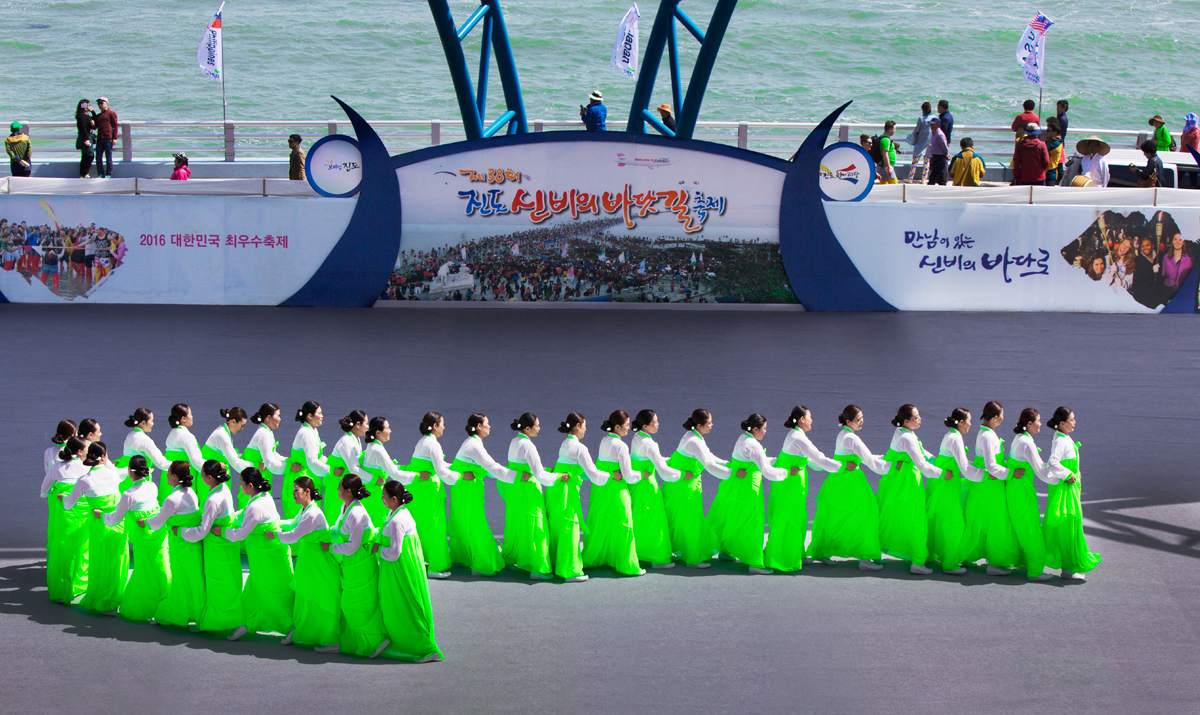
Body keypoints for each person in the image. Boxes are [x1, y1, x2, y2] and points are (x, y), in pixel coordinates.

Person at [764, 405, 842, 573]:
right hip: (789, 485)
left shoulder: (796, 435)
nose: (812, 420)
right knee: (788, 518)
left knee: (798, 517)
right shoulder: (798, 438)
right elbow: (817, 457)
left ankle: (796, 552)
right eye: (810, 417)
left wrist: (829, 467)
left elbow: (811, 460)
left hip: (793, 483)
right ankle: (780, 558)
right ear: (802, 420)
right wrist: (839, 466)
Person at [807, 405, 883, 571]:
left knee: (834, 517)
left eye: (862, 418)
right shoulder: (851, 438)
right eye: (858, 419)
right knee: (866, 514)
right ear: (848, 421)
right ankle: (865, 556)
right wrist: (892, 467)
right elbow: (869, 460)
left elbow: (866, 457)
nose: (862, 422)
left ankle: (822, 551)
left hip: (838, 482)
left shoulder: (844, 435)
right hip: (850, 483)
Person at [375, 480, 443, 662]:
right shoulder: (397, 513)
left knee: (406, 606)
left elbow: (394, 552)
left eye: (384, 496)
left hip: (400, 569)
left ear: (394, 499)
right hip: (401, 567)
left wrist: (376, 549)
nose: (382, 498)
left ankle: (423, 649)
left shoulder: (398, 520)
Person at [224, 468, 295, 641]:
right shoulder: (262, 497)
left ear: (250, 485)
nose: (239, 486)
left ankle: (290, 627)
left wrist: (222, 531)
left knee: (275, 592)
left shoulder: (256, 506)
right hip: (263, 556)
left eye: (241, 483)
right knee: (254, 589)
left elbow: (240, 534)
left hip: (268, 558)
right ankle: (246, 622)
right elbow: (244, 515)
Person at [326, 474, 392, 659]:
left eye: (340, 487)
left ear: (348, 491)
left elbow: (352, 545)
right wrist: (322, 532)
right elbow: (338, 529)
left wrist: (329, 547)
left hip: (360, 564)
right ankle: (355, 642)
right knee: (350, 604)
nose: (337, 489)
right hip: (351, 564)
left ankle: (377, 639)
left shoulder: (356, 514)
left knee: (357, 604)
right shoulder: (346, 507)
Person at [273, 476, 340, 652]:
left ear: (307, 491)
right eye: (293, 490)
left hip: (320, 564)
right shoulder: (305, 509)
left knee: (321, 598)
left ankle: (330, 638)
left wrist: (274, 534)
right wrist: (273, 523)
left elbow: (294, 535)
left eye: (296, 490)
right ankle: (304, 630)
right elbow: (293, 523)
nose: (293, 494)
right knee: (307, 596)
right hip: (309, 561)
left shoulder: (312, 514)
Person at [878, 405, 946, 575]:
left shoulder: (905, 433)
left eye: (919, 416)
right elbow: (922, 464)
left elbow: (922, 452)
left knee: (896, 518)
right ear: (906, 421)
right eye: (916, 417)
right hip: (906, 485)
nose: (920, 419)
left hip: (902, 482)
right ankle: (917, 561)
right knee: (917, 521)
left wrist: (938, 461)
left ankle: (879, 550)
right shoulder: (906, 438)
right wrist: (943, 473)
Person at [105, 454, 171, 621]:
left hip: (142, 539)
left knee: (145, 571)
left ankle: (145, 607)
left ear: (129, 471)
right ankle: (165, 602)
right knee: (161, 566)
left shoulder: (128, 494)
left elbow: (115, 520)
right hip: (159, 534)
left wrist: (102, 515)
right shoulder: (152, 486)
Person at [65, 443, 128, 614]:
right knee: (117, 561)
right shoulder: (114, 475)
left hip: (99, 527)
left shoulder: (84, 480)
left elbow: (69, 504)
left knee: (99, 562)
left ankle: (101, 600)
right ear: (104, 456)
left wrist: (62, 496)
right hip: (118, 525)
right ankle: (114, 599)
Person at [720, 414, 788, 575]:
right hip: (750, 490)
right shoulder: (753, 445)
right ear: (755, 429)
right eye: (764, 428)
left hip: (738, 488)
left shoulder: (743, 439)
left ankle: (727, 550)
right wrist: (785, 472)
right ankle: (754, 563)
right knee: (753, 524)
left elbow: (759, 461)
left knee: (736, 519)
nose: (766, 432)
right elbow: (767, 472)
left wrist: (777, 461)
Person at [582, 411, 646, 576]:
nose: (628, 429)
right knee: (624, 524)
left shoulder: (604, 441)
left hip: (601, 488)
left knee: (600, 522)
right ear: (617, 426)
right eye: (626, 426)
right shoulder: (621, 446)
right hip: (617, 489)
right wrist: (642, 475)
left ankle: (593, 558)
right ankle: (627, 565)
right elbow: (629, 476)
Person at [180, 461, 242, 632]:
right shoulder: (224, 489)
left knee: (218, 584)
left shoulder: (213, 500)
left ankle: (226, 622)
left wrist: (181, 531)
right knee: (230, 582)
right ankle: (232, 620)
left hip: (216, 548)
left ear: (208, 477)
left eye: (201, 473)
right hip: (227, 545)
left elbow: (201, 531)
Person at [447, 413, 511, 576]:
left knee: (465, 522)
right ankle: (482, 564)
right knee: (475, 524)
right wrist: (516, 477)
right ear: (479, 426)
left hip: (465, 490)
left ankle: (465, 558)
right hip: (467, 492)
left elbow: (485, 469)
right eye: (487, 423)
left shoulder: (473, 443)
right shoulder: (474, 446)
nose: (490, 426)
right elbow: (492, 467)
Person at [664, 409, 729, 568]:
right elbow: (709, 465)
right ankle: (693, 558)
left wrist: (728, 464)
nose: (712, 425)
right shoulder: (694, 441)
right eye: (709, 423)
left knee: (682, 521)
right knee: (691, 521)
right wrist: (731, 475)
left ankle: (681, 551)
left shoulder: (694, 436)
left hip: (684, 486)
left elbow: (710, 457)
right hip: (683, 489)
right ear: (699, 425)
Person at [1041, 407, 1101, 580]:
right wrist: (1067, 474)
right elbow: (1053, 461)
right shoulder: (1061, 441)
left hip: (1071, 490)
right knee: (1069, 526)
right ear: (1062, 423)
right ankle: (1068, 567)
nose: (1074, 422)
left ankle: (1068, 566)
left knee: (1070, 526)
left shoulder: (1062, 437)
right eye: (1072, 419)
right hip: (1066, 492)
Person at [962, 401, 1020, 576]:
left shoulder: (986, 433)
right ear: (995, 417)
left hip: (985, 487)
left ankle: (965, 555)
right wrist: (1011, 473)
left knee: (977, 521)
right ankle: (996, 562)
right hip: (990, 487)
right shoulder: (988, 437)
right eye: (1002, 415)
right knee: (997, 522)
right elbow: (991, 466)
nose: (1003, 418)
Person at [550, 413, 607, 582]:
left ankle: (556, 563)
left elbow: (579, 471)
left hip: (556, 492)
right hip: (568, 495)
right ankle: (570, 570)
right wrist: (614, 475)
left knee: (558, 528)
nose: (585, 429)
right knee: (570, 529)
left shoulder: (565, 443)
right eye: (584, 426)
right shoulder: (580, 448)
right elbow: (593, 474)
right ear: (577, 426)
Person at [146, 461, 204, 627]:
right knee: (192, 579)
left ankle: (175, 612)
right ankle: (194, 614)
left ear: (174, 476)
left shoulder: (172, 499)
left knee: (180, 579)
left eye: (168, 472)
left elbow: (157, 522)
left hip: (180, 545)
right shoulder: (191, 492)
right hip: (191, 545)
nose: (166, 475)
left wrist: (144, 522)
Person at [927, 409, 985, 575]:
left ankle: (947, 555)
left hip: (948, 484)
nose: (970, 424)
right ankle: (950, 563)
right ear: (960, 422)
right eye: (969, 421)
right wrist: (988, 475)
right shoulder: (955, 438)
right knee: (954, 523)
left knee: (943, 521)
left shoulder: (953, 436)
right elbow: (965, 468)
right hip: (946, 486)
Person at [406, 412, 462, 580]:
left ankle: (421, 562)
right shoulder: (433, 444)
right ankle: (435, 567)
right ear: (435, 426)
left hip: (420, 492)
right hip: (430, 494)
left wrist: (456, 467)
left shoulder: (423, 442)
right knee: (435, 529)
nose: (444, 427)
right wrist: (460, 477)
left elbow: (438, 465)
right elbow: (441, 471)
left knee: (421, 527)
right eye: (442, 424)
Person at [505, 413, 560, 578]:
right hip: (529, 491)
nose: (539, 428)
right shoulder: (528, 446)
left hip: (514, 490)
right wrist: (558, 477)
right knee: (537, 527)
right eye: (537, 425)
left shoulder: (514, 442)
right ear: (527, 428)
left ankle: (516, 559)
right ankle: (538, 567)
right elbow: (540, 475)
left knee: (517, 524)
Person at [1005, 409, 1054, 581]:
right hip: (1021, 492)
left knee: (1024, 525)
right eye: (1038, 420)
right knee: (1030, 528)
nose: (1041, 423)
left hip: (1017, 490)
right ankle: (1035, 570)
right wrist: (1061, 479)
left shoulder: (1021, 439)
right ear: (1030, 424)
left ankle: (1027, 563)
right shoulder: (1026, 442)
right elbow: (1040, 470)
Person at [628, 410, 679, 569]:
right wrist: (680, 473)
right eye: (655, 422)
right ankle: (658, 558)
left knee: (639, 519)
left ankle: (640, 552)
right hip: (648, 487)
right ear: (645, 426)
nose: (658, 424)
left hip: (637, 486)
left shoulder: (637, 438)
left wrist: (668, 460)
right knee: (654, 521)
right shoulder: (649, 443)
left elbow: (650, 459)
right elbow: (662, 470)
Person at [44, 437, 90, 602]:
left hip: (63, 516)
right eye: (86, 448)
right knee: (82, 548)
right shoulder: (87, 470)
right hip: (84, 516)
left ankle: (59, 589)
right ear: (79, 452)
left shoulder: (57, 468)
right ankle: (78, 584)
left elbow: (43, 491)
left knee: (62, 548)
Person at [358, 417, 421, 535]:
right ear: (378, 432)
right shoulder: (377, 450)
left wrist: (407, 468)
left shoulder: (373, 446)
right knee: (377, 527)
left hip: (372, 494)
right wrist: (417, 476)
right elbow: (395, 474)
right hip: (375, 497)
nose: (390, 431)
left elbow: (387, 467)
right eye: (387, 428)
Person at [200, 407, 252, 508]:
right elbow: (234, 462)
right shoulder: (222, 435)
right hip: (211, 480)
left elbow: (229, 455)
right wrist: (254, 466)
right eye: (241, 425)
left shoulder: (224, 432)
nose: (242, 429)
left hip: (214, 479)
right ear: (233, 421)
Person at [285, 401, 330, 519]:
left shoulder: (312, 431)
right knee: (301, 522)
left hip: (308, 481)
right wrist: (330, 471)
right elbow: (312, 461)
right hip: (302, 484)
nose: (322, 416)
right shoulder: (307, 434)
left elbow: (318, 457)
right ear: (310, 416)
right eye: (319, 413)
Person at [326, 410, 368, 524]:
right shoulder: (346, 442)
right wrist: (373, 478)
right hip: (337, 487)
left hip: (345, 487)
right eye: (366, 423)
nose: (368, 427)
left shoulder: (355, 439)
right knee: (335, 520)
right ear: (358, 424)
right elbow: (354, 469)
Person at [243, 403, 288, 507]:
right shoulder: (264, 435)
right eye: (278, 415)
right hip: (254, 489)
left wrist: (287, 460)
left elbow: (273, 455)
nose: (280, 419)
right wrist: (289, 467)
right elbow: (270, 463)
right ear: (268, 418)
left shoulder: (266, 432)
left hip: (257, 487)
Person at [163, 404, 206, 504]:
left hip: (168, 480)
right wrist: (214, 467)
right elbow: (196, 461)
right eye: (191, 414)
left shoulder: (172, 434)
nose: (192, 416)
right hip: (181, 483)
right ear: (183, 419)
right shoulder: (186, 436)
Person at [906, 102, 934, 182]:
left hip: (920, 142)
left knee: (915, 161)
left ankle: (910, 178)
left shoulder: (921, 118)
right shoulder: (933, 118)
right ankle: (924, 179)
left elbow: (917, 130)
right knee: (927, 161)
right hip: (929, 142)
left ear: (923, 109)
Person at [1132, 236, 1163, 307]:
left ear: (1152, 246)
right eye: (1142, 246)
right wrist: (1151, 271)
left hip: (1157, 293)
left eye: (1147, 245)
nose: (1145, 248)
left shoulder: (1159, 257)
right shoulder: (1137, 260)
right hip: (1143, 295)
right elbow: (1138, 279)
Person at [93, 97, 118, 178]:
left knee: (108, 157)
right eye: (98, 103)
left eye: (101, 103)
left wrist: (114, 138)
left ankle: (108, 173)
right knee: (98, 157)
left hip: (108, 138)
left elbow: (115, 126)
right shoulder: (98, 115)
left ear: (107, 103)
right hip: (100, 138)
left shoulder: (111, 113)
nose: (100, 105)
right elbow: (95, 126)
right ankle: (100, 173)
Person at [75, 99, 96, 178]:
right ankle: (84, 173)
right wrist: (86, 139)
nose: (89, 106)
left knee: (85, 156)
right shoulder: (82, 116)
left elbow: (94, 119)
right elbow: (83, 128)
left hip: (87, 136)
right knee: (90, 155)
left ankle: (83, 174)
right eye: (88, 105)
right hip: (85, 137)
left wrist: (93, 112)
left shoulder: (85, 116)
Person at [926, 117, 949, 186]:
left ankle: (929, 189)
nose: (931, 126)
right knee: (940, 178)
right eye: (930, 124)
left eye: (933, 124)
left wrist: (946, 155)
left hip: (939, 158)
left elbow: (944, 147)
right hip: (935, 157)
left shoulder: (939, 134)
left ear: (938, 124)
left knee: (933, 177)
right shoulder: (934, 133)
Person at [1044, 117, 1064, 186]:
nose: (1047, 132)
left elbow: (1043, 150)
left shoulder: (1056, 143)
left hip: (1051, 172)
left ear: (1055, 132)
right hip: (1045, 171)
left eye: (1049, 131)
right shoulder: (1048, 141)